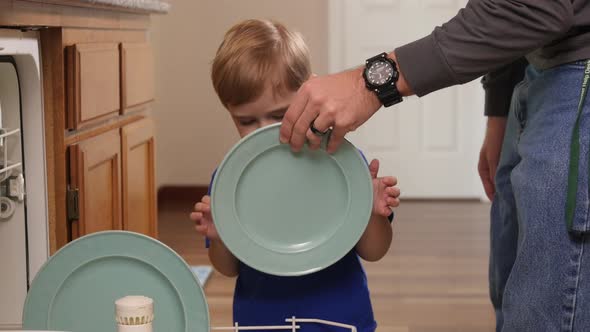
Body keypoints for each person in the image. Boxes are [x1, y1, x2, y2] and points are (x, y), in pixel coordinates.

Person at [279, 1, 590, 331]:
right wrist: (499, 109)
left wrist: (369, 82)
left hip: (576, 74)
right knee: (511, 293)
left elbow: (537, 7)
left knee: (546, 311)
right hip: (534, 70)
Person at [189, 19, 400, 331]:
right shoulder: (232, 179)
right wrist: (220, 237)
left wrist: (372, 212)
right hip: (262, 321)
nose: (264, 131)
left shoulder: (342, 162)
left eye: (278, 115)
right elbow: (227, 268)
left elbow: (374, 251)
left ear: (311, 91)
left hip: (339, 320)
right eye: (246, 121)